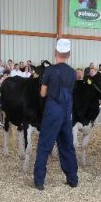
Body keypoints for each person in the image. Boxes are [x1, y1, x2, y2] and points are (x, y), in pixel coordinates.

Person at [33, 39, 79, 190]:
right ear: (69, 54)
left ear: (55, 53)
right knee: (67, 145)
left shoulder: (50, 70)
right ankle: (72, 179)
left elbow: (43, 92)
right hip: (67, 111)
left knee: (45, 144)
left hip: (53, 110)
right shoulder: (72, 72)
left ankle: (39, 181)